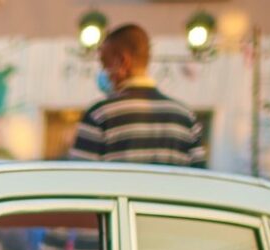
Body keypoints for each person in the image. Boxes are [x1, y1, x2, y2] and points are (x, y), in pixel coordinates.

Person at [66, 25, 207, 168]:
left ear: (122, 61)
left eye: (104, 64)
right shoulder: (186, 117)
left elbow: (80, 179)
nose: (102, 72)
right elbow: (201, 179)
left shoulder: (99, 115)